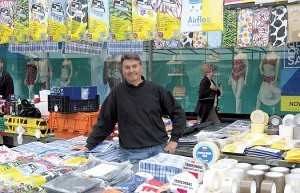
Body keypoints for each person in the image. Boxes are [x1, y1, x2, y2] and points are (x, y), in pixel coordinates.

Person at [71, 53, 186, 170]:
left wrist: (174, 140)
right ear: (122, 70)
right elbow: (104, 123)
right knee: (135, 187)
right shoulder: (117, 93)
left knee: (162, 186)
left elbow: (178, 114)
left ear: (141, 68)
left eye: (134, 66)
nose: (131, 70)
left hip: (160, 150)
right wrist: (88, 145)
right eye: (127, 67)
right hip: (133, 155)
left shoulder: (156, 90)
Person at [256, 47, 281, 114]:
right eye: (269, 45)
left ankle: (273, 113)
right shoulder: (265, 56)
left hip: (272, 79)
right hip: (265, 79)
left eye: (271, 46)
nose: (269, 47)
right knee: (259, 96)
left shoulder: (277, 57)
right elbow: (260, 66)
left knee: (272, 97)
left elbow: (277, 70)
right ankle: (257, 112)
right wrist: (261, 71)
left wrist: (275, 79)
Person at [228, 48, 249, 114]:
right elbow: (233, 67)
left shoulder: (244, 56)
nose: (234, 48)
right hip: (233, 75)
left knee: (238, 96)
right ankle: (239, 112)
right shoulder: (234, 56)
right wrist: (229, 78)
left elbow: (247, 67)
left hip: (241, 75)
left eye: (236, 47)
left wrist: (246, 79)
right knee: (236, 96)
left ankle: (236, 113)